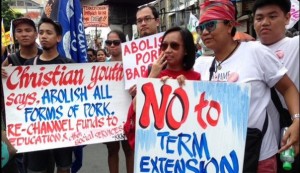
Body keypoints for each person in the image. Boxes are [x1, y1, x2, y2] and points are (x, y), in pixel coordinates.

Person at [197, 0, 299, 172]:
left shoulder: (255, 52)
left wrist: (297, 120)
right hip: (221, 158)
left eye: (211, 25)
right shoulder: (202, 65)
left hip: (259, 157)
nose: (205, 32)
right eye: (201, 28)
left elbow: (287, 88)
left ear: (229, 25)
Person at [124, 26, 201, 150]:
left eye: (174, 46)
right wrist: (152, 78)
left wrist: (188, 90)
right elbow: (134, 110)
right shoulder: (152, 72)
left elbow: (198, 120)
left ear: (186, 50)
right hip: (155, 146)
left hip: (183, 145)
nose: (168, 50)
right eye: (164, 46)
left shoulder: (195, 77)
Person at [253, 0, 300, 172]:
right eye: (259, 18)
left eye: (272, 16)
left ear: (287, 18)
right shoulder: (246, 51)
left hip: (291, 135)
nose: (265, 22)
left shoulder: (295, 45)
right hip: (259, 144)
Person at [24, 17, 74, 173]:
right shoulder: (28, 66)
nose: (43, 36)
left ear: (58, 38)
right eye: (41, 32)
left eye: (49, 33)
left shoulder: (69, 65)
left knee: (64, 168)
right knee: (36, 169)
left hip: (63, 130)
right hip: (36, 130)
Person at [1, 17, 45, 173]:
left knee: (42, 163)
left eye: (28, 30)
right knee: (19, 162)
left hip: (44, 125)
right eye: (19, 31)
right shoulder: (9, 62)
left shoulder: (47, 58)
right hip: (16, 123)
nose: (24, 34)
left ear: (35, 34)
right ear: (15, 36)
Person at [104, 30, 134, 173]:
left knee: (129, 149)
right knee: (112, 150)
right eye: (109, 43)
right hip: (110, 114)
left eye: (116, 42)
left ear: (123, 44)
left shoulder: (133, 65)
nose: (112, 45)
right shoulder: (101, 67)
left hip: (130, 111)